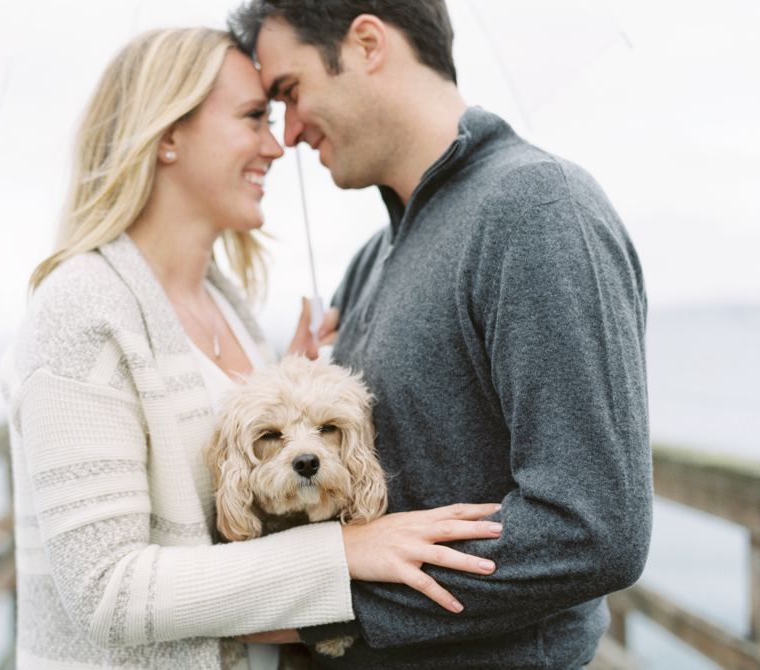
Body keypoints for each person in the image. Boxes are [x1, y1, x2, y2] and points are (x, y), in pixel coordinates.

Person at [0, 27, 503, 670]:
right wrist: (345, 554)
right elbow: (106, 592)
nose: (279, 143)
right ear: (169, 134)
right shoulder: (80, 311)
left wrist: (283, 378)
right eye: (253, 118)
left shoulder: (227, 305)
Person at [228, 1, 653, 668]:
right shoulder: (371, 260)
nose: (288, 131)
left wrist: (319, 608)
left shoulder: (538, 209)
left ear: (367, 43)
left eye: (291, 90)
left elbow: (592, 530)